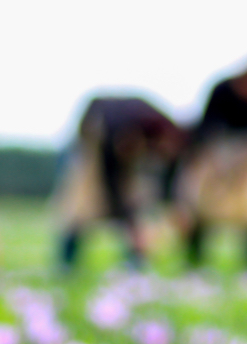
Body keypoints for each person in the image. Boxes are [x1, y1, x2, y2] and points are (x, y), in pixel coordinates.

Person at [54, 96, 185, 270]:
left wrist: (168, 207)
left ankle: (135, 263)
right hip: (94, 148)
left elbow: (167, 174)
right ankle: (66, 264)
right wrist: (130, 220)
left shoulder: (166, 134)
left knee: (137, 207)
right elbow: (110, 179)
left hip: (120, 153)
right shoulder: (118, 131)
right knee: (80, 209)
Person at [175, 56, 247, 268]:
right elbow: (206, 124)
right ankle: (194, 263)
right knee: (201, 208)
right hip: (215, 152)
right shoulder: (223, 89)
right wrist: (213, 156)